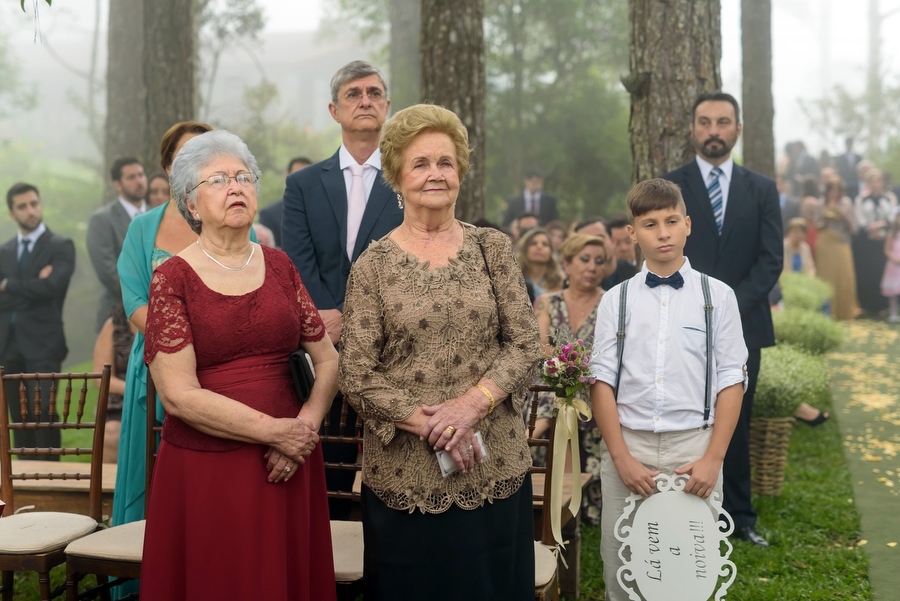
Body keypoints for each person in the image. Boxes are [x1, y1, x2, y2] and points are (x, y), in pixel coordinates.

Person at [340, 104, 541, 600]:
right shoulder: (373, 265)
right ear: (396, 177)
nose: (436, 174)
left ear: (461, 172)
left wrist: (470, 406)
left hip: (492, 464)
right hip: (405, 476)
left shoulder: (492, 248)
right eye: (421, 164)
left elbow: (525, 343)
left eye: (446, 162)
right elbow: (357, 373)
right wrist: (433, 423)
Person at [141, 130, 338, 600]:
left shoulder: (282, 265)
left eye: (244, 177)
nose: (236, 187)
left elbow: (328, 359)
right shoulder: (171, 278)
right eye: (219, 180)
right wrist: (274, 432)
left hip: (289, 462)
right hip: (211, 470)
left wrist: (302, 429)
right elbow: (178, 395)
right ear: (191, 203)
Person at [589, 179, 747, 600]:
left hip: (693, 449)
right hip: (630, 448)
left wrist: (713, 458)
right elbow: (600, 380)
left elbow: (732, 379)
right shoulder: (615, 301)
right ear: (632, 233)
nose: (662, 233)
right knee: (623, 568)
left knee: (691, 576)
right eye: (650, 224)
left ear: (688, 225)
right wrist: (620, 457)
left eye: (671, 221)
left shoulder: (719, 297)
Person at [282, 60, 403, 519]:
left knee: (390, 468)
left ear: (387, 107)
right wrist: (323, 321)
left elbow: (407, 264)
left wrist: (350, 317)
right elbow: (296, 263)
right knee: (328, 471)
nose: (365, 100)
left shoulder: (408, 181)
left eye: (374, 93)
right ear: (335, 109)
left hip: (394, 351)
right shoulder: (303, 185)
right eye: (354, 94)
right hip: (322, 347)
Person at [664, 92, 782, 547]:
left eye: (723, 122)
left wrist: (724, 307)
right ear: (693, 128)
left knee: (738, 422)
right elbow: (662, 250)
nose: (713, 130)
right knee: (684, 417)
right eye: (705, 121)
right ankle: (679, 512)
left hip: (744, 324)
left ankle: (740, 517)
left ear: (737, 129)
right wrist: (696, 307)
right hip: (678, 321)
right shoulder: (671, 186)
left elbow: (771, 261)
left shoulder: (762, 189)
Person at [112, 120, 217, 528]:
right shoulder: (143, 228)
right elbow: (135, 303)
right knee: (150, 471)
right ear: (169, 168)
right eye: (182, 158)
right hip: (154, 364)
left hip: (217, 365)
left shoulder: (229, 220)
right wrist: (177, 349)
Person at [533, 233, 607, 524]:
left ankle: (534, 437)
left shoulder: (611, 302)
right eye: (584, 259)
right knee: (559, 392)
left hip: (595, 388)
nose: (592, 267)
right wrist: (569, 366)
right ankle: (550, 489)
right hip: (554, 380)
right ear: (566, 263)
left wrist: (575, 367)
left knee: (569, 395)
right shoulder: (547, 302)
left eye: (599, 261)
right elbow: (541, 347)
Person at [0, 182, 75, 458]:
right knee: (17, 417)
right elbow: (39, 290)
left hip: (44, 344)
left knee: (43, 413)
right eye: (22, 206)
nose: (30, 211)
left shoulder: (60, 246)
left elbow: (52, 288)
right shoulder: (3, 251)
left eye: (34, 203)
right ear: (12, 213)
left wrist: (8, 285)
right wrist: (34, 286)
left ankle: (50, 480)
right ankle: (22, 484)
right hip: (8, 346)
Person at [87, 157, 147, 332]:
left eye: (141, 175)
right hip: (117, 314)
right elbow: (109, 272)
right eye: (131, 177)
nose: (139, 181)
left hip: (163, 315)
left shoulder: (160, 215)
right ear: (117, 184)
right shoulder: (102, 221)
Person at [91, 300, 135, 463]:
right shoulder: (114, 326)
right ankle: (108, 486)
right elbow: (101, 378)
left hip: (162, 398)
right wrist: (136, 389)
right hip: (121, 401)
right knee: (111, 433)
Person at [816, 175, 861, 320]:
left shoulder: (846, 203)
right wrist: (825, 219)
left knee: (845, 276)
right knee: (826, 276)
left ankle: (846, 311)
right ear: (827, 190)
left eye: (837, 189)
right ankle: (827, 312)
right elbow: (816, 226)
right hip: (825, 243)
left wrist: (844, 216)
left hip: (842, 242)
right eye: (831, 189)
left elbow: (855, 228)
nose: (834, 192)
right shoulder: (820, 203)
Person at [853, 168, 897, 316]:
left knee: (882, 271)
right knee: (868, 271)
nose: (875, 183)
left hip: (885, 238)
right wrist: (870, 229)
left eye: (878, 180)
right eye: (872, 181)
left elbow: (893, 217)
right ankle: (868, 304)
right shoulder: (861, 199)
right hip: (867, 240)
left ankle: (883, 305)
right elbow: (859, 218)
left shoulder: (889, 198)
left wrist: (880, 228)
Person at [258, 156, 312, 248]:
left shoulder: (324, 210)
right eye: (298, 176)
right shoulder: (269, 215)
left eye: (307, 177)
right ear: (287, 176)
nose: (303, 181)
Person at [516, 226, 564, 298]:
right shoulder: (514, 277)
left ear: (551, 252)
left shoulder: (560, 280)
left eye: (545, 244)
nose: (539, 246)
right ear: (525, 249)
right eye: (533, 243)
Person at [881, 208, 900, 322]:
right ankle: (893, 313)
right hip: (894, 265)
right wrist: (894, 259)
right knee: (893, 290)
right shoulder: (892, 234)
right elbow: (887, 250)